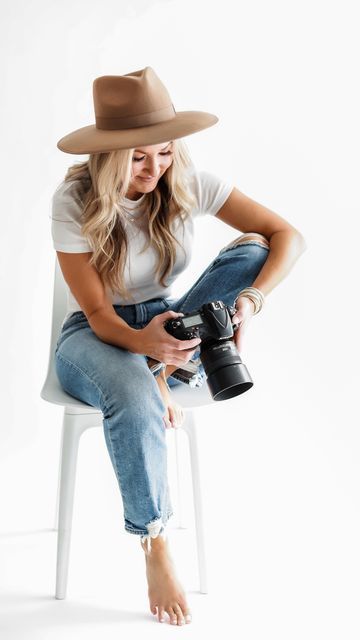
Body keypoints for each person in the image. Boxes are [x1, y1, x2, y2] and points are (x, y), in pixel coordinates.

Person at [51, 66, 307, 626]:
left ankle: (164, 371)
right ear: (108, 155)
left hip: (169, 324)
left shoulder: (188, 181)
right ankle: (155, 540)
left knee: (252, 250)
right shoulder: (74, 199)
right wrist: (142, 346)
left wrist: (250, 304)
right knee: (132, 394)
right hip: (96, 337)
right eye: (138, 158)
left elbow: (287, 235)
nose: (155, 168)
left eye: (163, 153)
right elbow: (96, 312)